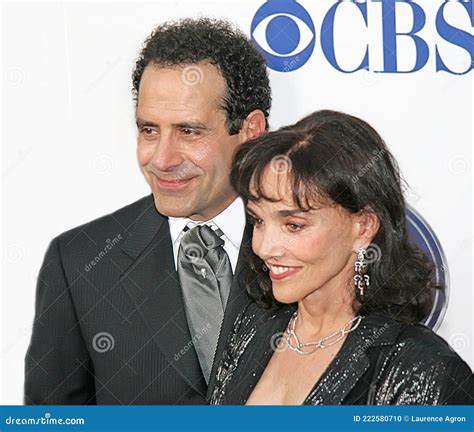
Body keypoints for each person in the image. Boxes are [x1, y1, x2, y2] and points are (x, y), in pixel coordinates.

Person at [24, 18, 270, 404]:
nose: (162, 159)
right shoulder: (80, 262)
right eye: (149, 130)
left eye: (189, 131)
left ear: (251, 130)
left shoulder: (317, 248)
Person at [209, 110, 474, 405]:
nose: (265, 247)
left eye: (294, 225)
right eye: (258, 221)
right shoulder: (250, 328)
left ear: (363, 227)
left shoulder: (423, 368)